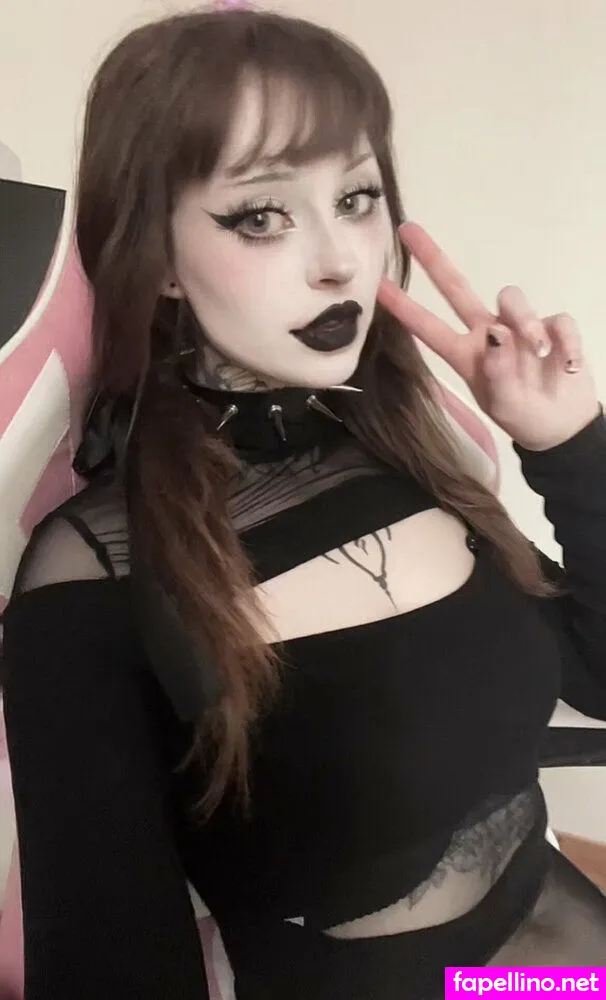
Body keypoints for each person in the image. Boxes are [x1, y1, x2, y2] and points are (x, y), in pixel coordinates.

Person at [3, 5, 606, 998]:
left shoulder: (407, 453)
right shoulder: (94, 577)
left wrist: (571, 448)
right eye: (261, 215)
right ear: (154, 254)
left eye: (357, 197)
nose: (341, 259)